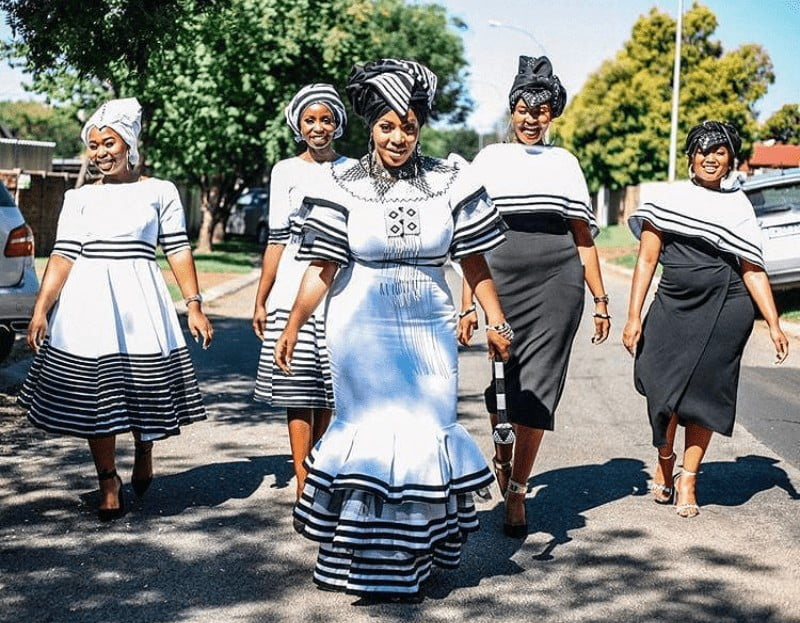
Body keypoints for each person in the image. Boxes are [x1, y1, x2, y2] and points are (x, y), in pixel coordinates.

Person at [274, 58, 511, 599]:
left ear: (420, 126)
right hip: (361, 328)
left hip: (430, 325)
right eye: (386, 126)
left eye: (408, 125)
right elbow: (322, 268)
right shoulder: (340, 183)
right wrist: (293, 323)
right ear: (370, 128)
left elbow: (473, 261)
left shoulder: (449, 178)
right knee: (371, 434)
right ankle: (371, 561)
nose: (398, 137)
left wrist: (496, 318)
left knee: (427, 430)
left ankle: (414, 554)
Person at [19, 98, 213, 522]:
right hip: (89, 305)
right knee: (94, 396)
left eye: (109, 142)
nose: (101, 152)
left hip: (142, 301)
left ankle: (145, 448)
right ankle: (108, 480)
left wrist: (194, 305)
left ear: (129, 144)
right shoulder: (79, 198)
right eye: (93, 145)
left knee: (143, 389)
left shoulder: (159, 191)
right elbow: (63, 256)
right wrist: (41, 309)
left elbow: (178, 249)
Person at [458, 56, 610, 537]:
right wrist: (468, 304)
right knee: (505, 381)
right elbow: (470, 242)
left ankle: (518, 491)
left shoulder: (565, 163)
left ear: (552, 116)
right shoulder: (488, 160)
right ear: (511, 110)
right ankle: (502, 452)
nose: (531, 118)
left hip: (557, 283)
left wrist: (601, 300)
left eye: (541, 111)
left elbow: (582, 237)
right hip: (500, 282)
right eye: (524, 108)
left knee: (540, 387)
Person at [622, 120, 789, 518]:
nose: (710, 158)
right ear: (690, 155)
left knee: (705, 396)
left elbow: (752, 267)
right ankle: (665, 456)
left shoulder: (738, 205)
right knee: (661, 388)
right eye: (703, 150)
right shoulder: (668, 199)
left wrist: (774, 322)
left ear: (730, 159)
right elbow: (646, 260)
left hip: (726, 308)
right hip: (673, 305)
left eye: (719, 151)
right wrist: (633, 315)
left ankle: (688, 478)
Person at [252, 84, 352, 499]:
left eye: (326, 119)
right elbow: (276, 238)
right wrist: (261, 296)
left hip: (339, 284)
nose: (318, 127)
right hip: (292, 280)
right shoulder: (284, 171)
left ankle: (321, 461)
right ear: (298, 124)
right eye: (310, 120)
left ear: (338, 124)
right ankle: (302, 479)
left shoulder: (354, 169)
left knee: (329, 386)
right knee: (298, 385)